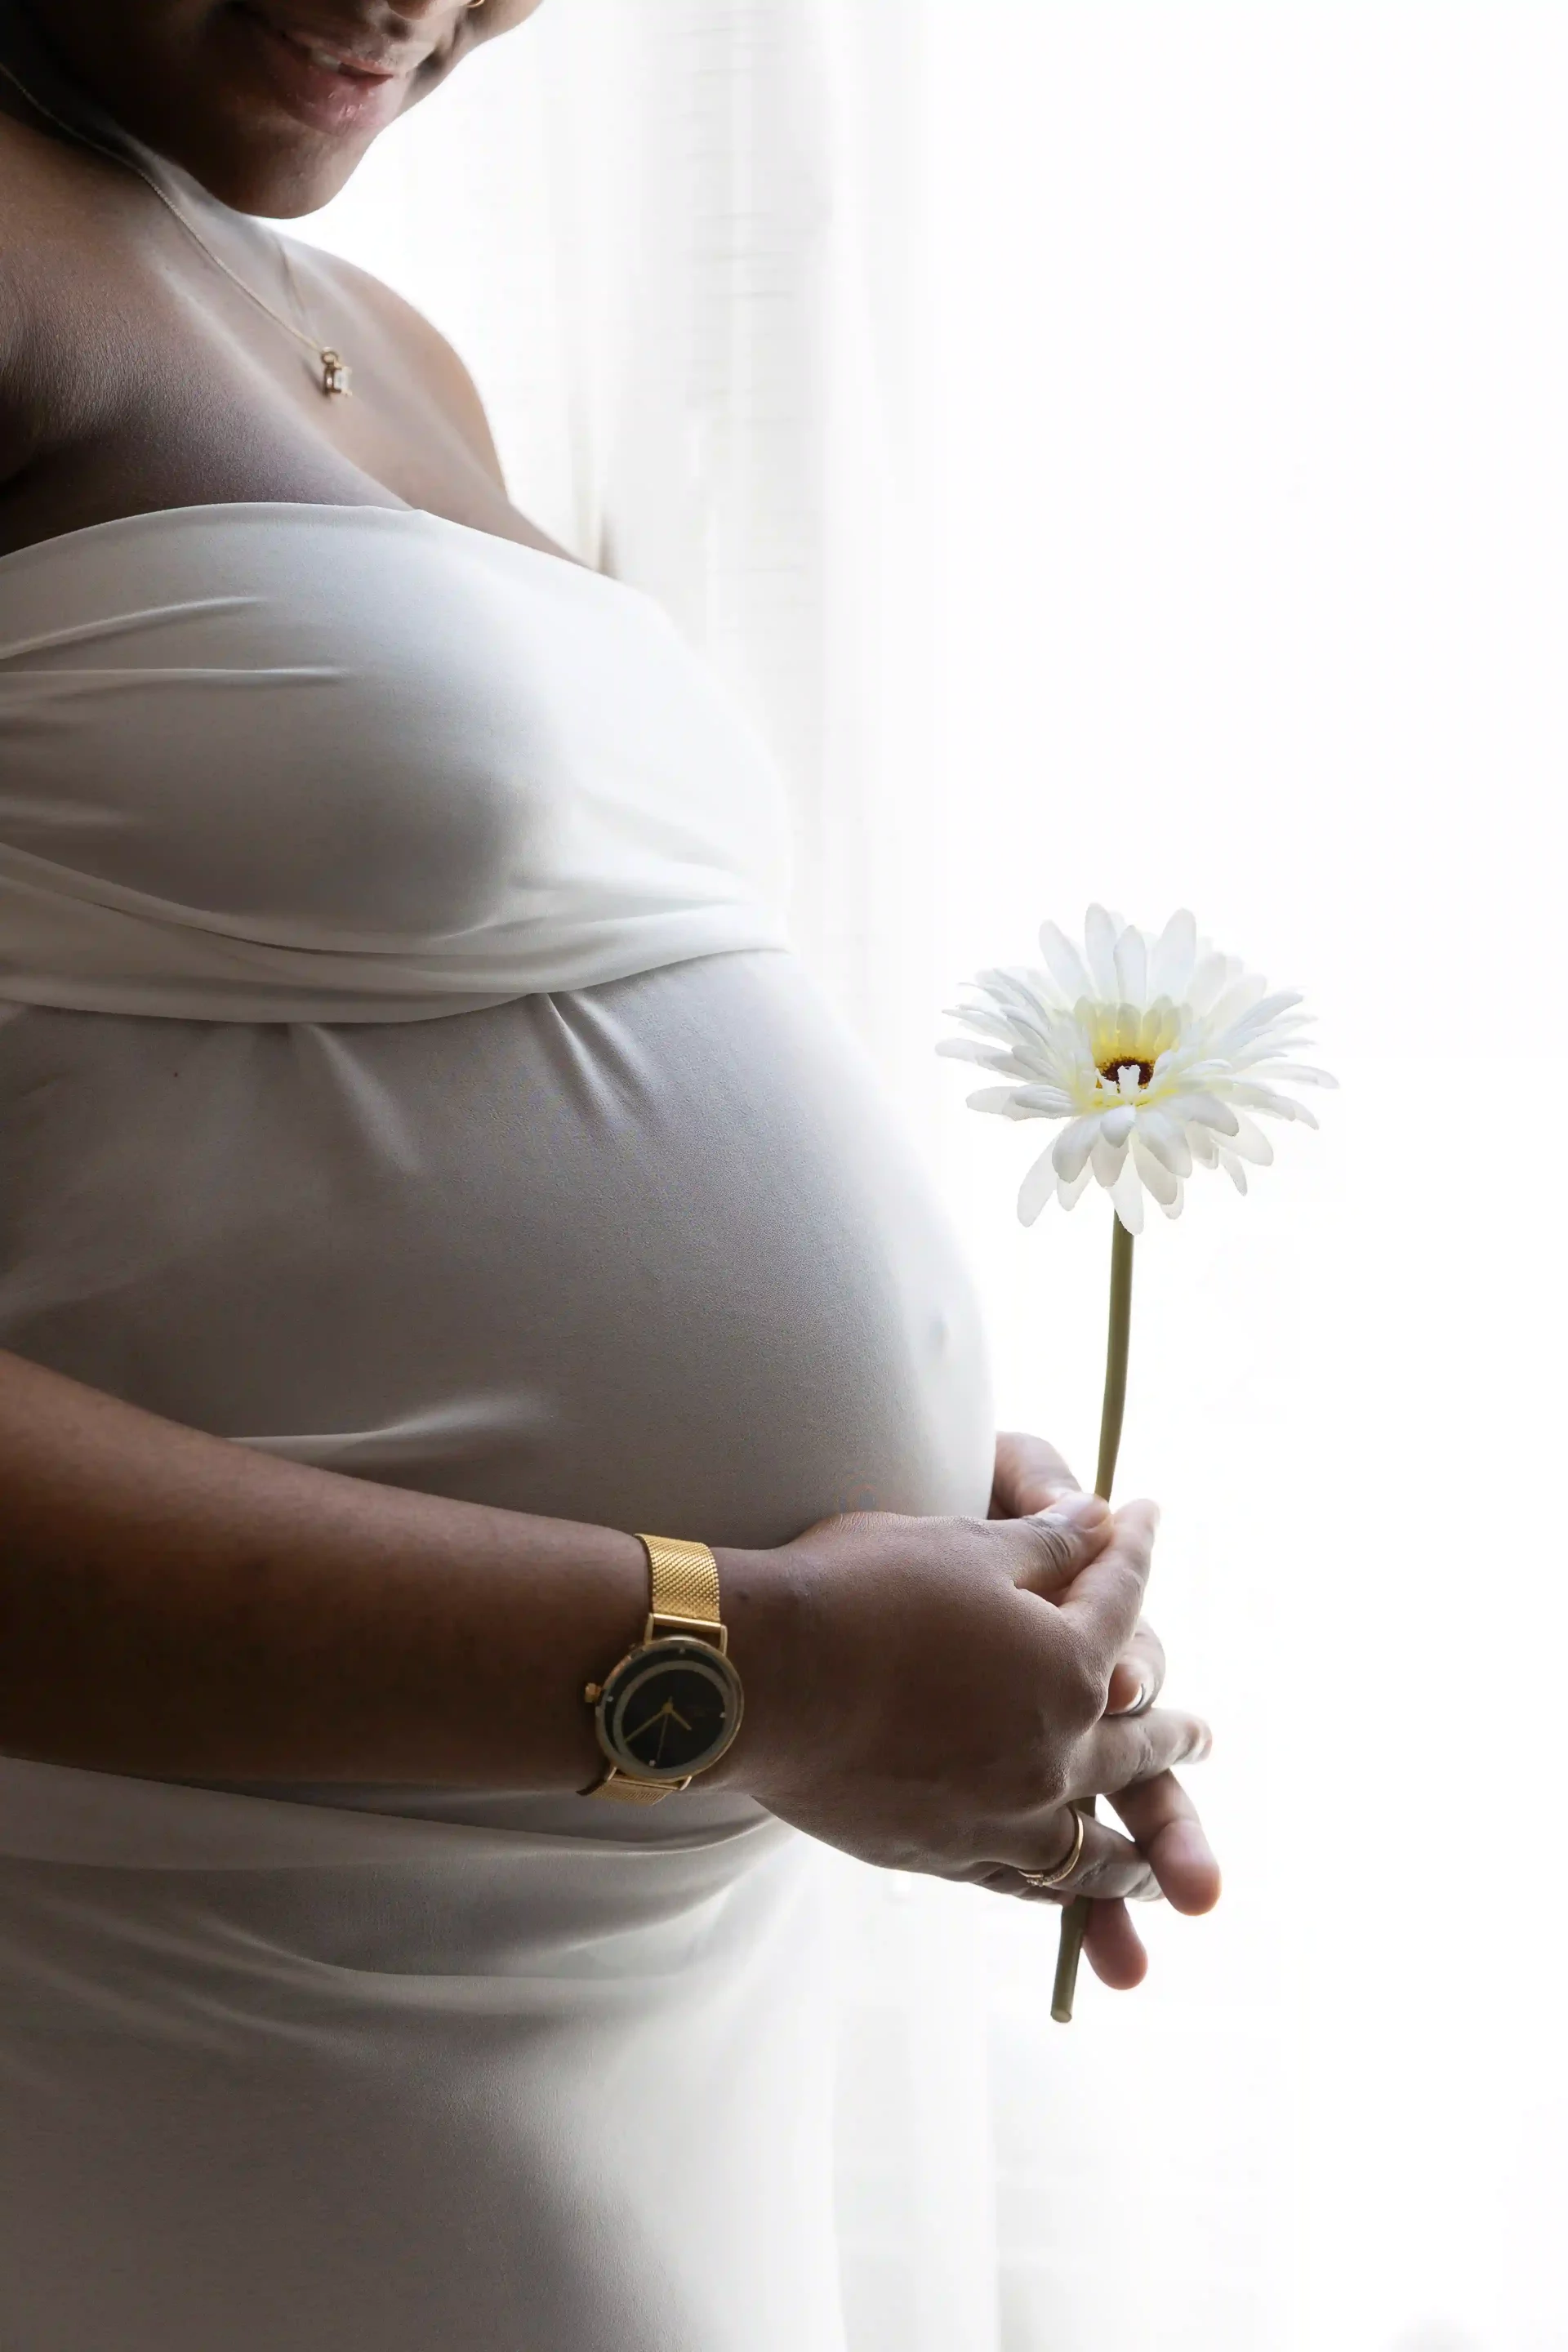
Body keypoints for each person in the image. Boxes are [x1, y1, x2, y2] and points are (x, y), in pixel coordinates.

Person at [0, 4, 1220, 2345]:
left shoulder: (376, 337)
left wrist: (942, 1595)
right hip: (206, 2027)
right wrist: (755, 1665)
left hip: (626, 2018)